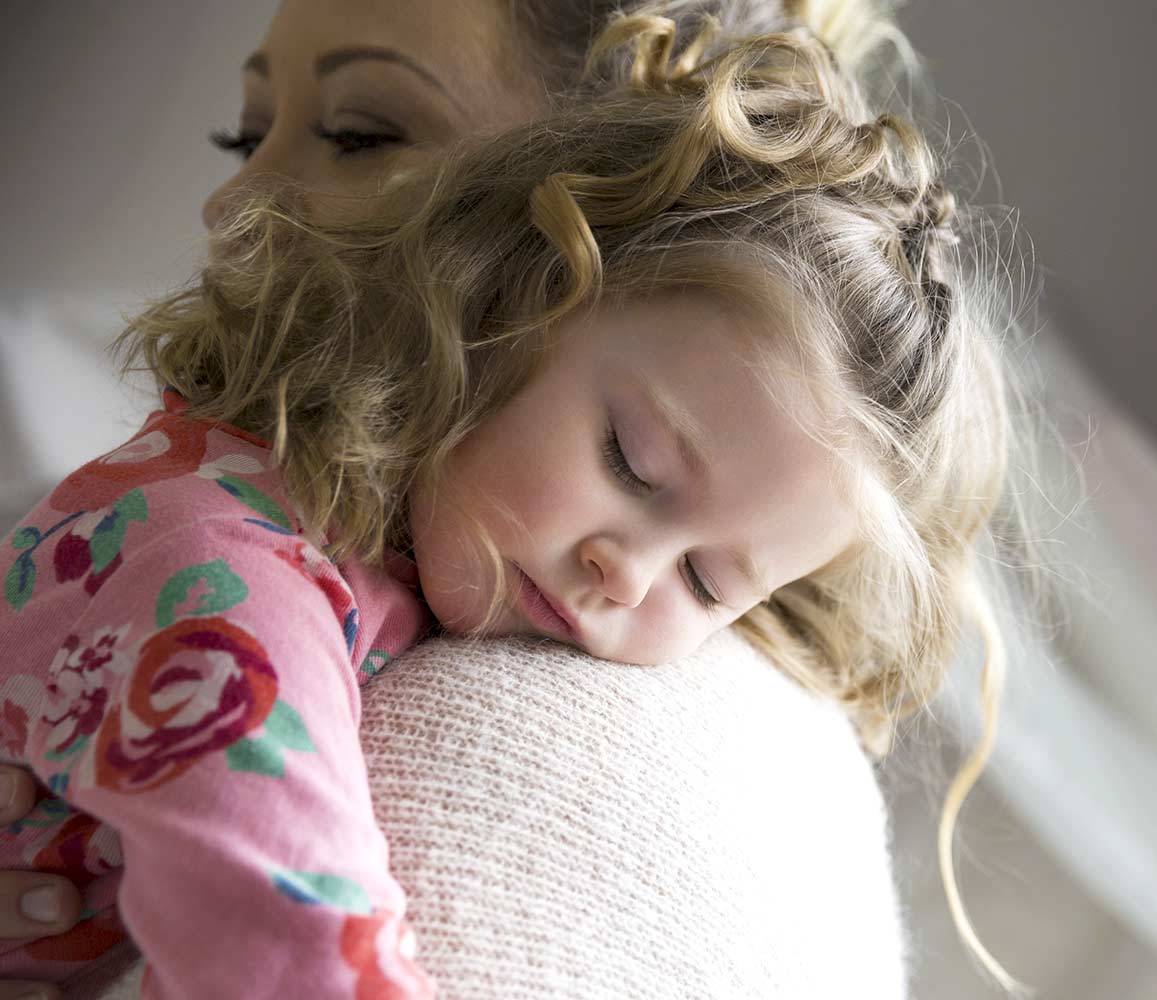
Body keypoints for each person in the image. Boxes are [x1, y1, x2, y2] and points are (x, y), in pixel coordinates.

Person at [0, 1, 1033, 997]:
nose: (623, 572)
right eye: (629, 462)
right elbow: (286, 947)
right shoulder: (220, 567)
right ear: (503, 281)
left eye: (709, 579)